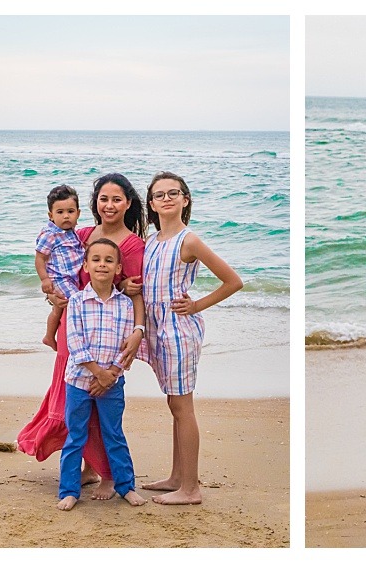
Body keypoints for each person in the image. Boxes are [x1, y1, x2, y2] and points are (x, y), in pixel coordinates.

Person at [18, 172, 147, 500]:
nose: (109, 205)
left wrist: (138, 331)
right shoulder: (82, 233)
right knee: (72, 403)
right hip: (75, 328)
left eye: (117, 199)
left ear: (128, 203)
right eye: (103, 198)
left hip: (109, 335)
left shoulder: (132, 244)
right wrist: (50, 293)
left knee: (101, 409)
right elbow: (64, 272)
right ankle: (88, 469)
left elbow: (132, 292)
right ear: (94, 204)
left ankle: (107, 474)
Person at [137, 171, 242, 505]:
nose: (166, 198)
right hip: (155, 330)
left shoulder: (189, 240)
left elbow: (232, 281)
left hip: (178, 331)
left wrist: (196, 304)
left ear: (185, 199)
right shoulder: (152, 241)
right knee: (174, 403)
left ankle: (191, 488)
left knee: (183, 406)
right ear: (151, 205)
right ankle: (176, 477)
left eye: (174, 193)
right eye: (159, 195)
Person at [57, 239, 147, 511]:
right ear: (86, 265)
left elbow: (127, 343)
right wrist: (98, 373)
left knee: (114, 433)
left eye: (109, 260)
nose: (102, 265)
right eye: (95, 259)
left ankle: (126, 487)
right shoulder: (77, 301)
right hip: (79, 381)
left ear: (118, 267)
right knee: (76, 437)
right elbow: (75, 343)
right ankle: (69, 491)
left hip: (112, 382)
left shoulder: (125, 304)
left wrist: (113, 373)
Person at [36, 185, 85, 351]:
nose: (66, 216)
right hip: (59, 279)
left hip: (71, 278)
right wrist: (45, 279)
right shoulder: (49, 234)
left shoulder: (72, 232)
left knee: (58, 309)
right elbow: (40, 258)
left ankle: (49, 336)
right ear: (51, 215)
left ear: (78, 213)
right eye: (60, 212)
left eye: (70, 211)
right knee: (77, 301)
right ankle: (71, 338)